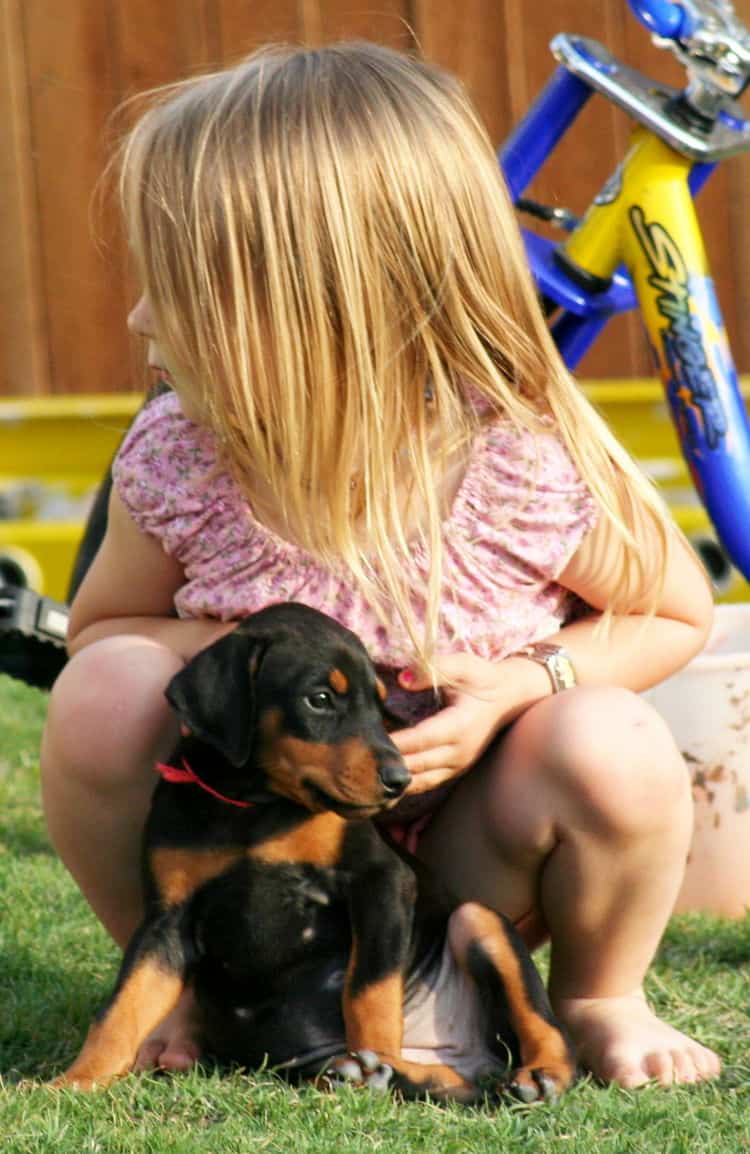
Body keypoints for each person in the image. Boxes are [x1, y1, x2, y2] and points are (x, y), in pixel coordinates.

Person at [40, 41, 721, 1090]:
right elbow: (100, 633)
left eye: (171, 288)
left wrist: (526, 681)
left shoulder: (520, 454)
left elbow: (677, 612)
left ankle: (598, 992)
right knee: (102, 694)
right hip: (263, 846)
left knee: (609, 738)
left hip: (465, 856)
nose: (137, 320)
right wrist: (251, 650)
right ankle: (182, 985)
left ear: (321, 307)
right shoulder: (185, 455)